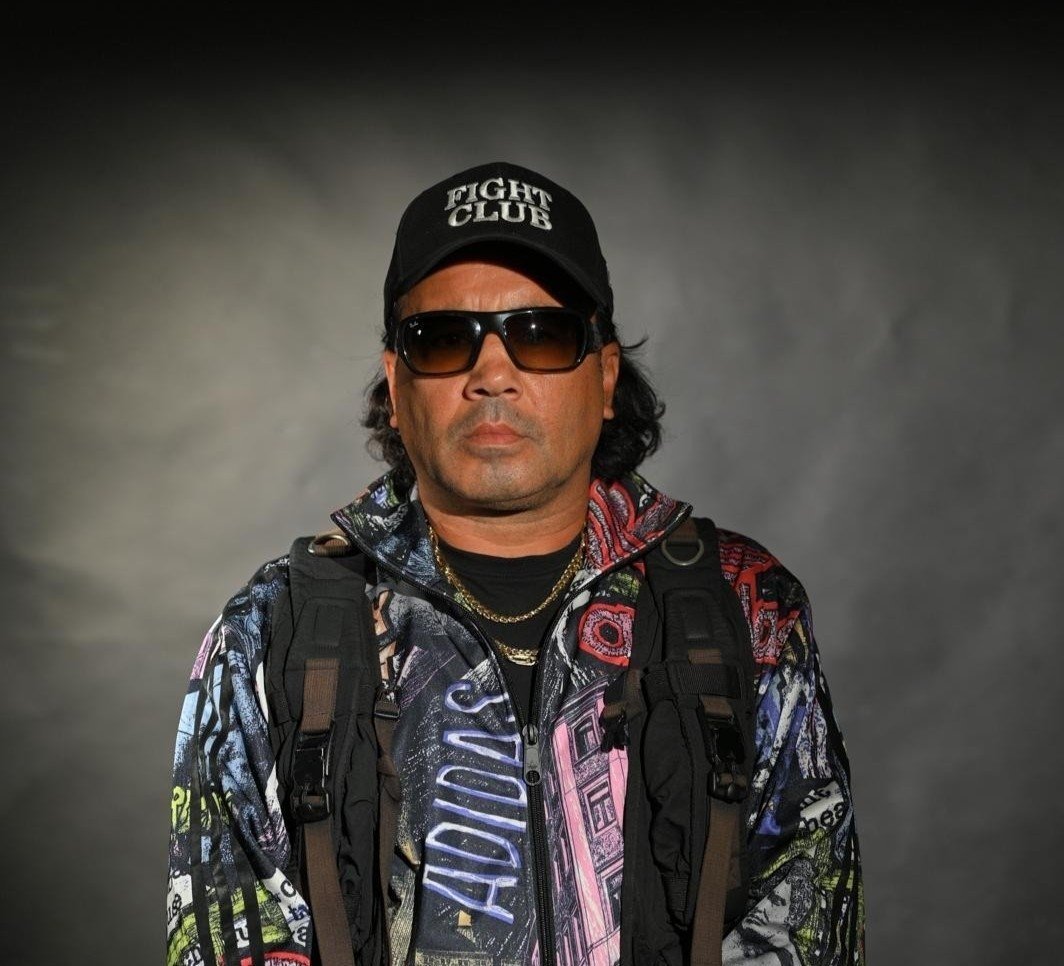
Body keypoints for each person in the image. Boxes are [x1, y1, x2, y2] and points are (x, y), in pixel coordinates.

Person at [166, 160, 865, 966]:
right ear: (395, 384)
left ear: (605, 376)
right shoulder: (270, 633)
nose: (492, 375)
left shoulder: (747, 608)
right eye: (442, 341)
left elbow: (807, 931)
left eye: (541, 335)